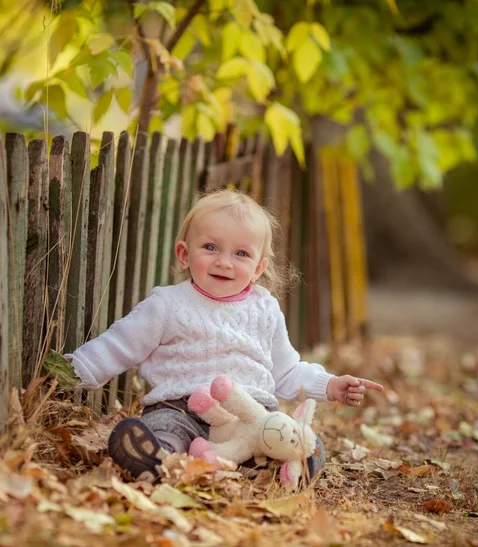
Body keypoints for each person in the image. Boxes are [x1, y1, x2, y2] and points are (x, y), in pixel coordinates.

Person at [64, 189, 383, 482]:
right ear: (184, 254)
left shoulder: (265, 309)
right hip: (180, 408)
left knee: (289, 439)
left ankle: (289, 465)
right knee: (163, 429)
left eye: (241, 254)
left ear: (259, 268)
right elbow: (120, 345)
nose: (224, 261)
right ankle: (157, 458)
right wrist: (72, 372)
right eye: (210, 247)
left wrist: (329, 384)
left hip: (251, 416)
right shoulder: (167, 305)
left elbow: (285, 370)